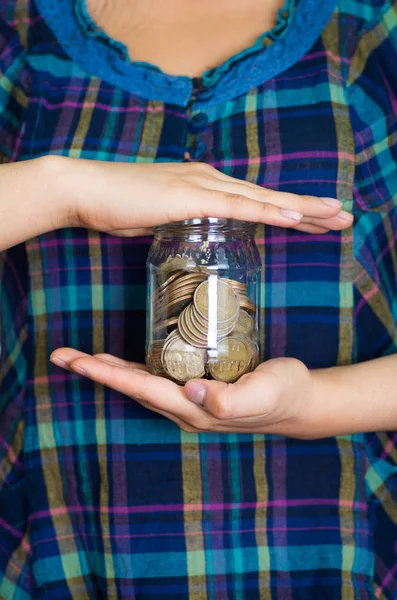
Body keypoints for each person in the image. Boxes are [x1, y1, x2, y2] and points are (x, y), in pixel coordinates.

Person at [0, 0, 396, 597]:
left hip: (337, 536)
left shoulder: (376, 30)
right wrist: (62, 189)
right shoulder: (15, 29)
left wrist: (317, 404)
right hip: (56, 529)